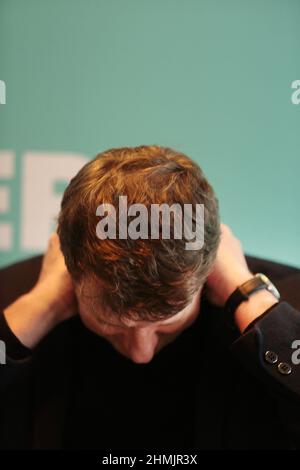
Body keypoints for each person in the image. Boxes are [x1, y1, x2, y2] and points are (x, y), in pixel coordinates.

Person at [0, 145, 300, 450]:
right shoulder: (9, 297)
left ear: (207, 271)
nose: (140, 353)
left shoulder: (287, 309)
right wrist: (40, 306)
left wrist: (250, 298)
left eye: (166, 324)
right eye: (111, 324)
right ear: (69, 266)